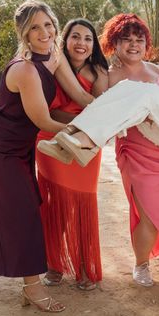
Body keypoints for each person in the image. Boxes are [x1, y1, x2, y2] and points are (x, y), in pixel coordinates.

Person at [39, 17, 159, 287]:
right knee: (149, 213)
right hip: (137, 151)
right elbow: (100, 109)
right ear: (114, 43)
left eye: (139, 40)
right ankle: (142, 264)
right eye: (126, 39)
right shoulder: (108, 75)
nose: (133, 45)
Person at [0, 0, 93, 312]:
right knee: (25, 212)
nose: (44, 32)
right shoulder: (25, 68)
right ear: (24, 33)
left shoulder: (55, 55)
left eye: (47, 24)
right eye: (34, 27)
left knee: (5, 209)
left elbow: (82, 96)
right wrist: (85, 130)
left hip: (19, 149)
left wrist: (119, 106)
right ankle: (32, 288)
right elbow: (43, 121)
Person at [36, 19, 109, 291]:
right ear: (64, 40)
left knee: (82, 204)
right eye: (75, 37)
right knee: (54, 204)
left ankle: (83, 266)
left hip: (87, 143)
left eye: (88, 38)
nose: (81, 43)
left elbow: (98, 112)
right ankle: (54, 265)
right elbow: (48, 112)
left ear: (94, 44)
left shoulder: (99, 71)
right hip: (49, 140)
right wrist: (77, 118)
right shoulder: (52, 66)